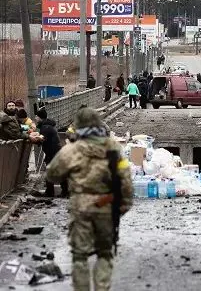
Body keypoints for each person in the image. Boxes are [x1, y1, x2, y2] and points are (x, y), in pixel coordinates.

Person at [46, 107, 133, 291]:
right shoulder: (114, 147)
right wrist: (124, 205)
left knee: (80, 255)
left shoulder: (72, 149)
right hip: (107, 205)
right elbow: (125, 178)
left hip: (81, 206)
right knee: (105, 253)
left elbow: (52, 174)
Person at [35, 108, 68, 197]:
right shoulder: (47, 126)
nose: (35, 118)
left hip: (53, 153)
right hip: (54, 152)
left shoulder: (45, 127)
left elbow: (42, 138)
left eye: (36, 116)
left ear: (40, 117)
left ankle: (52, 192)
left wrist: (33, 138)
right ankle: (63, 191)